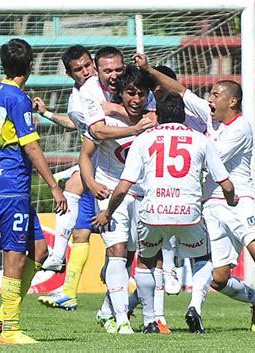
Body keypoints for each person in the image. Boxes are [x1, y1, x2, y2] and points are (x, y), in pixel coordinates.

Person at [134, 53, 255, 333]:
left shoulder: (241, 129)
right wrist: (149, 70)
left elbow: (209, 161)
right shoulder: (209, 116)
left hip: (240, 200)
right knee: (218, 277)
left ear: (231, 101)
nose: (209, 99)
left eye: (215, 94)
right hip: (210, 204)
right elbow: (179, 90)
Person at [93, 92, 237, 334]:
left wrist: (108, 212)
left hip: (152, 212)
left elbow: (124, 185)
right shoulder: (200, 140)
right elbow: (227, 184)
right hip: (188, 213)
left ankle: (150, 320)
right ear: (183, 115)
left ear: (157, 115)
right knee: (202, 259)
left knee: (146, 264)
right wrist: (231, 201)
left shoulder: (143, 139)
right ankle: (194, 307)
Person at [0, 38, 67, 345]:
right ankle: (11, 330)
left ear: (2, 65)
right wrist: (55, 187)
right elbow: (30, 146)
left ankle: (4, 313)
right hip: (11, 185)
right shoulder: (17, 99)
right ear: (30, 66)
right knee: (15, 256)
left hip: (0, 182)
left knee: (39, 251)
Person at [79, 64, 157, 334]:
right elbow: (85, 155)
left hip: (141, 196)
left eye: (141, 94)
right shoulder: (106, 121)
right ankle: (123, 320)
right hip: (110, 193)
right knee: (117, 252)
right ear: (120, 94)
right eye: (131, 93)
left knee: (130, 258)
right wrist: (91, 183)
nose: (136, 99)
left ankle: (105, 311)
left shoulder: (153, 121)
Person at [31, 45, 98, 312]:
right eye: (78, 69)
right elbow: (77, 124)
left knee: (126, 243)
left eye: (87, 66)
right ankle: (68, 288)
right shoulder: (76, 96)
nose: (84, 72)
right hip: (94, 161)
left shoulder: (104, 87)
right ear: (70, 73)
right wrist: (46, 114)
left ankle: (170, 267)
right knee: (81, 233)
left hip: (113, 162)